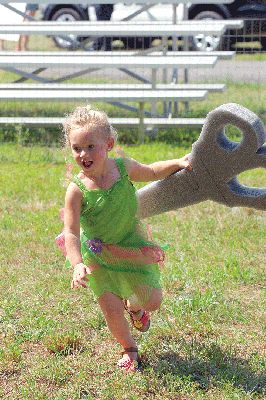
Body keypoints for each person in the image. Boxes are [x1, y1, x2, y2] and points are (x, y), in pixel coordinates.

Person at [57, 105, 192, 373]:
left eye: (90, 146)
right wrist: (76, 264)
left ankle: (135, 307)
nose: (83, 154)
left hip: (131, 246)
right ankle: (129, 349)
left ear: (108, 144)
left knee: (152, 300)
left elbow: (152, 172)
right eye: (76, 148)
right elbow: (70, 231)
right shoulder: (77, 190)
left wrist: (179, 163)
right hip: (99, 255)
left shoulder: (123, 168)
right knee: (109, 306)